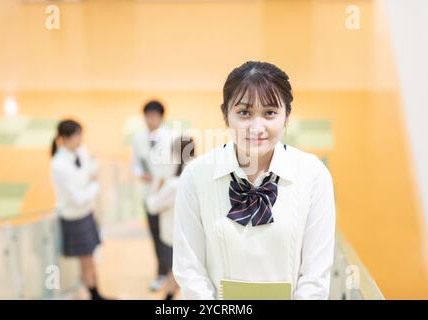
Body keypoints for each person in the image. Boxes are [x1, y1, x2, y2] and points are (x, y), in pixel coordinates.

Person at [173, 61, 336, 300]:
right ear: (226, 115)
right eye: (244, 113)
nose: (257, 127)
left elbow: (316, 276)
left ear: (286, 116)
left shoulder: (313, 175)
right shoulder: (196, 175)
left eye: (270, 113)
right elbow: (189, 269)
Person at [50, 119, 107, 300]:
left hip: (86, 214)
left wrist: (91, 182)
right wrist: (95, 186)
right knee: (87, 261)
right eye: (77, 135)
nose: (81, 139)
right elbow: (78, 198)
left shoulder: (81, 151)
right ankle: (94, 295)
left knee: (90, 260)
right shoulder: (59, 164)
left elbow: (90, 169)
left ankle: (94, 293)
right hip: (74, 218)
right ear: (65, 139)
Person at [131, 100, 174, 292]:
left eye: (155, 116)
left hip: (166, 196)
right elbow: (136, 162)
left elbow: (171, 167)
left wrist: (158, 179)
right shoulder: (138, 137)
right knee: (155, 236)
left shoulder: (170, 137)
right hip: (149, 195)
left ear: (161, 117)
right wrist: (141, 174)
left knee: (168, 237)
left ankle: (170, 273)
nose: (151, 120)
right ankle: (160, 273)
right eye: (148, 116)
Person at [146, 136, 195, 300]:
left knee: (175, 276)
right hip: (191, 237)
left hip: (173, 238)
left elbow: (152, 206)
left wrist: (157, 186)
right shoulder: (194, 177)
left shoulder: (173, 184)